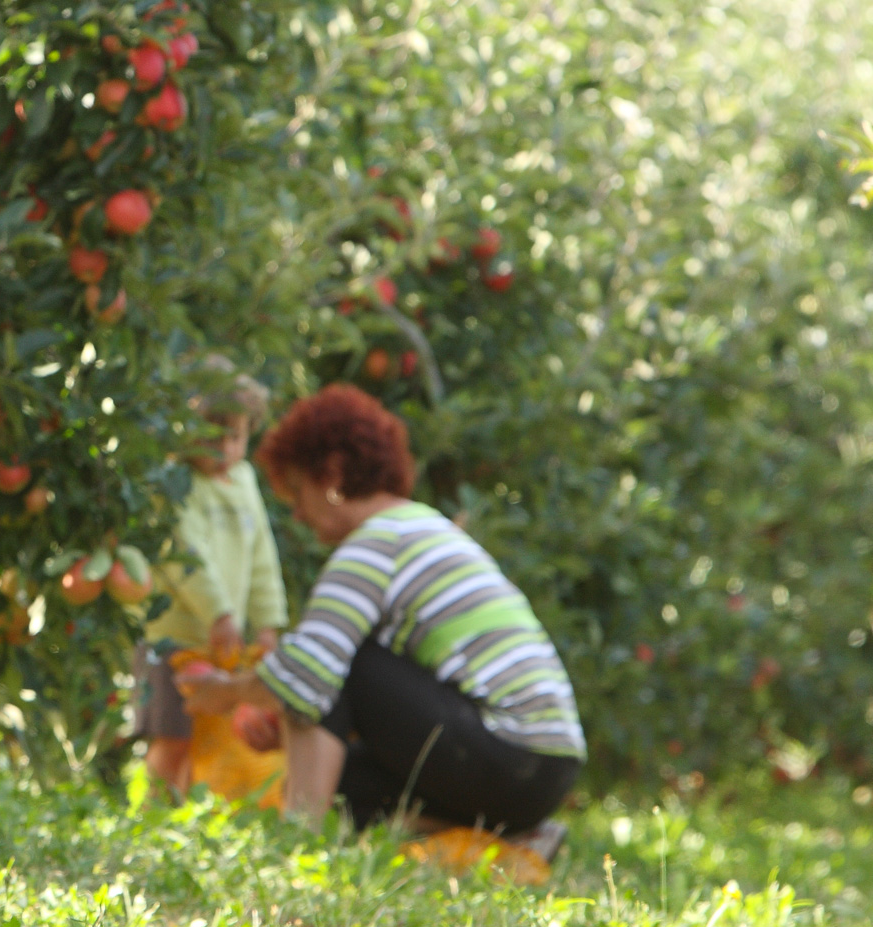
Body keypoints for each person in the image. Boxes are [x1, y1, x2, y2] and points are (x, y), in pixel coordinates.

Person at [182, 384, 583, 852]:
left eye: (296, 492)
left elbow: (311, 667)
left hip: (508, 752)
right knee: (345, 781)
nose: (297, 515)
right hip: (544, 771)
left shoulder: (375, 542)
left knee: (332, 658)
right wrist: (292, 720)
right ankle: (515, 836)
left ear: (330, 476)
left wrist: (227, 693)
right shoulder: (419, 524)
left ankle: (295, 845)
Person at [133, 356, 289, 797]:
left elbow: (262, 557)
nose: (224, 450)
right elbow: (183, 554)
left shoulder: (243, 482)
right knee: (174, 733)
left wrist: (268, 623)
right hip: (173, 637)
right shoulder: (174, 483)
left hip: (221, 640)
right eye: (211, 437)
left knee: (209, 734)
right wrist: (220, 612)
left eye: (235, 437)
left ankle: (184, 812)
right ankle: (153, 812)